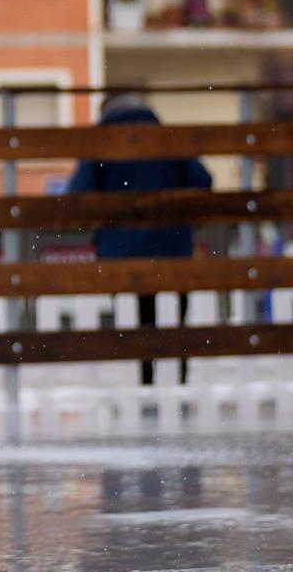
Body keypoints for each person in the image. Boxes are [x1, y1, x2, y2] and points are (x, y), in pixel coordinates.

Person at [65, 92, 213, 386]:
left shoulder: (101, 142)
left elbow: (77, 196)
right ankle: (178, 388)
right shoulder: (168, 138)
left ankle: (141, 387)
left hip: (122, 253)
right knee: (173, 327)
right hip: (173, 250)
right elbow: (203, 182)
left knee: (134, 325)